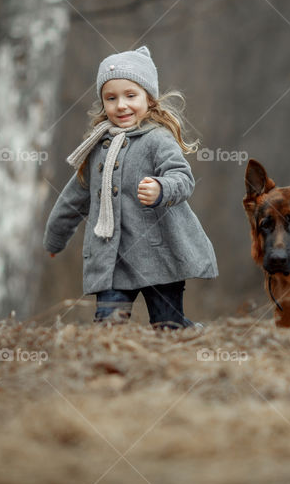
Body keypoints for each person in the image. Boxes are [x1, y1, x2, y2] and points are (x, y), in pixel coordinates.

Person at [43, 45, 218, 328]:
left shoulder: (157, 139)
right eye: (111, 98)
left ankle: (189, 333)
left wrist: (161, 188)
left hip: (159, 255)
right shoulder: (97, 148)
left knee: (167, 326)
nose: (121, 105)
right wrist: (55, 237)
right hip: (111, 260)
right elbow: (74, 197)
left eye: (130, 95)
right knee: (108, 328)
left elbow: (183, 179)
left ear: (149, 98)